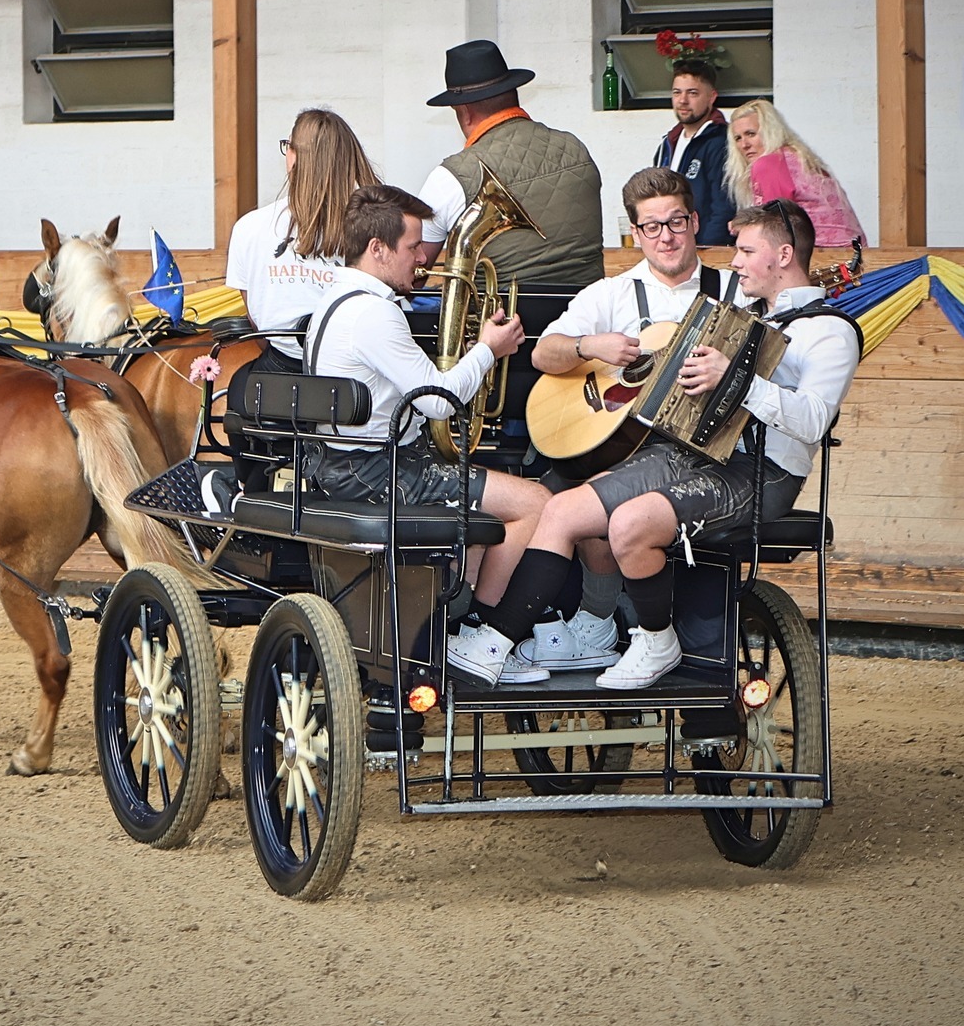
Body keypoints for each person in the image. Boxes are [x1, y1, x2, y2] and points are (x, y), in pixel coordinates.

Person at [461, 198, 860, 691]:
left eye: (746, 250)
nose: (734, 262)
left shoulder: (830, 331)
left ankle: (657, 638)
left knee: (629, 523)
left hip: (759, 473)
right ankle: (494, 642)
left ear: (782, 256)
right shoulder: (745, 314)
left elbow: (815, 420)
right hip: (692, 452)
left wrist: (736, 382)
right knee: (563, 509)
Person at [304, 185, 551, 665]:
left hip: (357, 463)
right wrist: (488, 349)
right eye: (413, 247)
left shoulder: (337, 302)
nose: (422, 258)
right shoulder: (372, 314)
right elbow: (438, 402)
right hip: (378, 470)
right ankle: (483, 634)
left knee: (496, 505)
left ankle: (459, 622)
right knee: (536, 504)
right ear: (377, 250)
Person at [516, 166, 740, 673]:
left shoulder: (735, 291)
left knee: (598, 495)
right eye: (652, 226)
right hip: (623, 445)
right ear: (635, 234)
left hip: (705, 459)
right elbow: (543, 354)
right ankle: (598, 617)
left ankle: (625, 628)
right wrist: (589, 346)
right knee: (571, 486)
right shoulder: (611, 294)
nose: (667, 237)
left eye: (676, 222)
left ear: (696, 221)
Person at [415, 40, 606, 463]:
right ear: (514, 94)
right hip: (580, 341)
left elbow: (416, 265)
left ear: (462, 113)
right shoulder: (577, 150)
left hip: (503, 354)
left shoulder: (453, 175)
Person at [225, 108, 380, 369]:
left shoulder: (247, 227)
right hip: (355, 370)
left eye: (288, 146)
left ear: (294, 157)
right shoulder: (376, 226)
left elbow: (256, 319)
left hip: (277, 369)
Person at [724, 98, 864, 249]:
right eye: (738, 138)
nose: (744, 144)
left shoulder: (768, 163)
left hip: (824, 255)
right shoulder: (795, 157)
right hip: (850, 253)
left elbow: (774, 227)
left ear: (770, 131)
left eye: (751, 134)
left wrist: (745, 226)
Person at [652, 58, 736, 247]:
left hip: (704, 253)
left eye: (692, 93)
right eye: (677, 92)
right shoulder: (668, 143)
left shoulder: (722, 141)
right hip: (669, 247)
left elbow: (725, 207)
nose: (682, 100)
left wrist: (704, 251)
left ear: (712, 97)